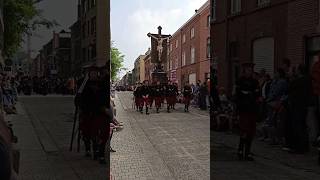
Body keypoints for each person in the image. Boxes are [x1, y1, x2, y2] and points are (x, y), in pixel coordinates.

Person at [78, 66, 109, 164]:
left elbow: (106, 96)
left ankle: (101, 154)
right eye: (92, 73)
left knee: (103, 134)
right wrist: (80, 105)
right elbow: (79, 98)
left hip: (100, 112)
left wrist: (105, 107)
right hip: (88, 112)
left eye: (96, 73)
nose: (94, 74)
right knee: (88, 132)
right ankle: (89, 149)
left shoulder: (103, 84)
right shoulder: (84, 84)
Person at [235, 62, 260, 161]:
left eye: (251, 70)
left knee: (251, 131)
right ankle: (240, 149)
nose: (249, 71)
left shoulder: (255, 82)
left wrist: (248, 94)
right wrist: (249, 94)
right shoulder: (240, 81)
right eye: (248, 69)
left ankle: (248, 152)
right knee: (244, 130)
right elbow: (238, 94)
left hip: (252, 109)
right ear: (244, 70)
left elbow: (257, 94)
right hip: (243, 109)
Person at [285, 65, 312, 154]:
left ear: (300, 71)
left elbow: (288, 88)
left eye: (296, 70)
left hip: (297, 106)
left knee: (297, 126)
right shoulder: (308, 80)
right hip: (304, 106)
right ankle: (305, 146)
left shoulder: (297, 81)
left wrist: (290, 78)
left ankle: (299, 147)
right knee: (303, 126)